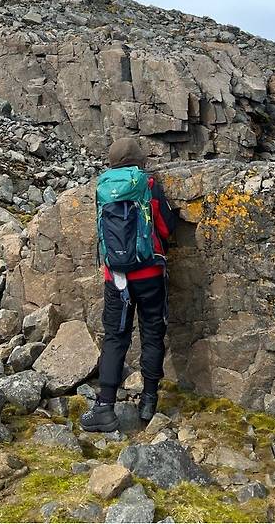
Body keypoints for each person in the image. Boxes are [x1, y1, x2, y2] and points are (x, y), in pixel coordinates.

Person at [80, 137, 175, 432]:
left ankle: (105, 408)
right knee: (151, 332)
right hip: (149, 275)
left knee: (115, 337)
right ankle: (148, 402)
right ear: (139, 160)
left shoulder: (103, 188)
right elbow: (165, 229)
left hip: (116, 278)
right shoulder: (148, 185)